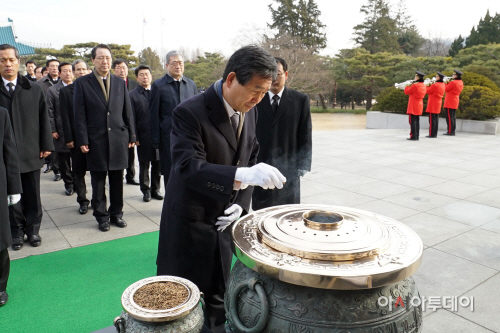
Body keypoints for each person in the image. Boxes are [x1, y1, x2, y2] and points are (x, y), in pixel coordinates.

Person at [156, 45, 286, 333]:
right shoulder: (189, 112)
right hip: (189, 223)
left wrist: (241, 202)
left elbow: (250, 158)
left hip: (226, 219)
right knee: (179, 298)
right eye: (255, 90)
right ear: (230, 80)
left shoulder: (248, 108)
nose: (259, 99)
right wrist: (242, 175)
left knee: (220, 294)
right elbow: (188, 166)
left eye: (265, 92)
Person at [74, 44, 136, 232]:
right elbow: (80, 114)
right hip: (96, 140)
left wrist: (132, 134)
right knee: (98, 180)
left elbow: (127, 110)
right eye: (100, 58)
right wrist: (83, 139)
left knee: (118, 179)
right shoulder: (82, 83)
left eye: (108, 58)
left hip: (118, 138)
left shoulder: (119, 82)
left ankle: (116, 214)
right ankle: (101, 216)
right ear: (93, 60)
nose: (105, 61)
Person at [0, 44, 53, 250]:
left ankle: (33, 229)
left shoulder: (33, 88)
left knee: (32, 192)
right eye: (2, 60)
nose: (7, 64)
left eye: (11, 60)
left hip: (31, 149)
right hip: (5, 155)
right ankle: (15, 231)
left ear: (18, 62)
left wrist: (46, 144)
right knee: (10, 195)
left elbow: (44, 118)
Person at [252, 57, 312, 210]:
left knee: (288, 212)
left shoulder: (300, 100)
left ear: (286, 74)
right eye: (269, 74)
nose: (273, 78)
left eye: (277, 73)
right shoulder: (255, 100)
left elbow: (305, 134)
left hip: (288, 165)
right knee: (262, 212)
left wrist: (303, 164)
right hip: (261, 164)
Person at [149, 50, 197, 188]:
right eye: (174, 63)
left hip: (190, 138)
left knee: (190, 171)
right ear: (167, 65)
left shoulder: (191, 84)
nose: (178, 66)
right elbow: (153, 114)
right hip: (168, 137)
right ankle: (170, 206)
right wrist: (155, 140)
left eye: (180, 63)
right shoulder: (158, 86)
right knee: (170, 173)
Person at [60, 59, 91, 214]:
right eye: (78, 69)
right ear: (73, 72)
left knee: (98, 171)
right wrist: (69, 138)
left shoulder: (95, 88)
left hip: (94, 137)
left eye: (84, 69)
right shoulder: (66, 92)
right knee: (79, 171)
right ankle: (83, 200)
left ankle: (98, 199)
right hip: (77, 138)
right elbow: (64, 117)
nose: (81, 72)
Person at [129, 65, 163, 202]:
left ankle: (156, 189)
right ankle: (146, 190)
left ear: (151, 76)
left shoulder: (158, 91)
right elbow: (131, 117)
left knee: (158, 164)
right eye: (141, 74)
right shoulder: (132, 95)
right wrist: (134, 135)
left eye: (147, 74)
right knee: (144, 164)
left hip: (158, 134)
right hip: (142, 135)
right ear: (137, 78)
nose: (145, 77)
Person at [0, 106, 22, 306]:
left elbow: (9, 152)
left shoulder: (1, 114)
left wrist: (14, 188)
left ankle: (0, 287)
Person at [47, 62, 75, 194]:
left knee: (77, 159)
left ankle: (77, 182)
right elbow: (50, 111)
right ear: (59, 73)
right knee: (64, 160)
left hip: (76, 129)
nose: (68, 73)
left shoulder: (80, 88)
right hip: (61, 129)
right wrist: (53, 130)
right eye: (65, 71)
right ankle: (68, 184)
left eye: (70, 71)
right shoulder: (52, 90)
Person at [112, 58, 139, 186]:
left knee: (131, 152)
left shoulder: (134, 84)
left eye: (124, 67)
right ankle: (119, 174)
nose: (122, 70)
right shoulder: (111, 84)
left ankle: (131, 175)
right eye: (119, 68)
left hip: (132, 122)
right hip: (117, 124)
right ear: (113, 70)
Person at [39, 59, 61, 178]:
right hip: (47, 118)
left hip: (62, 119)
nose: (55, 68)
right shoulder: (40, 83)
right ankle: (56, 170)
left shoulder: (64, 82)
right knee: (53, 147)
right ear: (47, 68)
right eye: (52, 66)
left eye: (57, 66)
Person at [404, 71, 426, 141]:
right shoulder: (423, 85)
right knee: (417, 121)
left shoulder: (415, 85)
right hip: (419, 104)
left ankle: (413, 136)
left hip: (413, 104)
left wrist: (406, 86)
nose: (414, 78)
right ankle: (417, 135)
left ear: (417, 77)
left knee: (412, 121)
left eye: (415, 77)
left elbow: (407, 92)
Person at [443, 69, 464, 136]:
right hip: (455, 100)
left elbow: (445, 89)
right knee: (452, 117)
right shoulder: (460, 82)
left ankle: (450, 131)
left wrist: (445, 83)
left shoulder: (453, 82)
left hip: (450, 100)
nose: (452, 76)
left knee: (449, 117)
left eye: (453, 75)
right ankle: (452, 130)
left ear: (456, 76)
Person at [425, 72, 445, 138]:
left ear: (439, 77)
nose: (436, 77)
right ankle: (435, 133)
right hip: (438, 102)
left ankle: (432, 134)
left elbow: (427, 91)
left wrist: (427, 85)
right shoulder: (443, 84)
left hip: (433, 103)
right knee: (435, 119)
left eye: (436, 76)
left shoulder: (435, 85)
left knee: (432, 120)